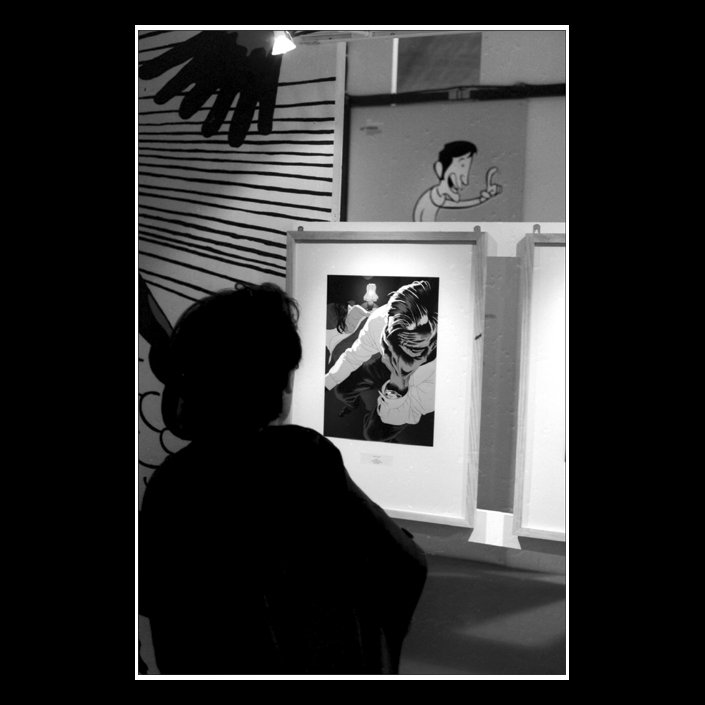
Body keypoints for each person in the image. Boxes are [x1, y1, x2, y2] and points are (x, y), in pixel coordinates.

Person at [139, 283, 427, 675]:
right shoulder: (302, 458)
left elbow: (160, 614)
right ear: (279, 380)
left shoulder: (171, 483)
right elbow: (402, 564)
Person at [325, 280, 438, 443]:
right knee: (342, 391)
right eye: (389, 345)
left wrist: (397, 391)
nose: (391, 359)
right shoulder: (379, 320)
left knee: (374, 434)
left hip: (411, 386)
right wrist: (326, 382)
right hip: (383, 369)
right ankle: (355, 406)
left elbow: (407, 411)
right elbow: (353, 356)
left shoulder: (438, 381)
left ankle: (377, 418)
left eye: (410, 353)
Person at [412, 140, 502, 222]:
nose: (465, 181)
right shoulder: (436, 195)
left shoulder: (438, 195)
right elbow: (458, 205)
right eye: (461, 165)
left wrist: (481, 200)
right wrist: (480, 200)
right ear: (439, 169)